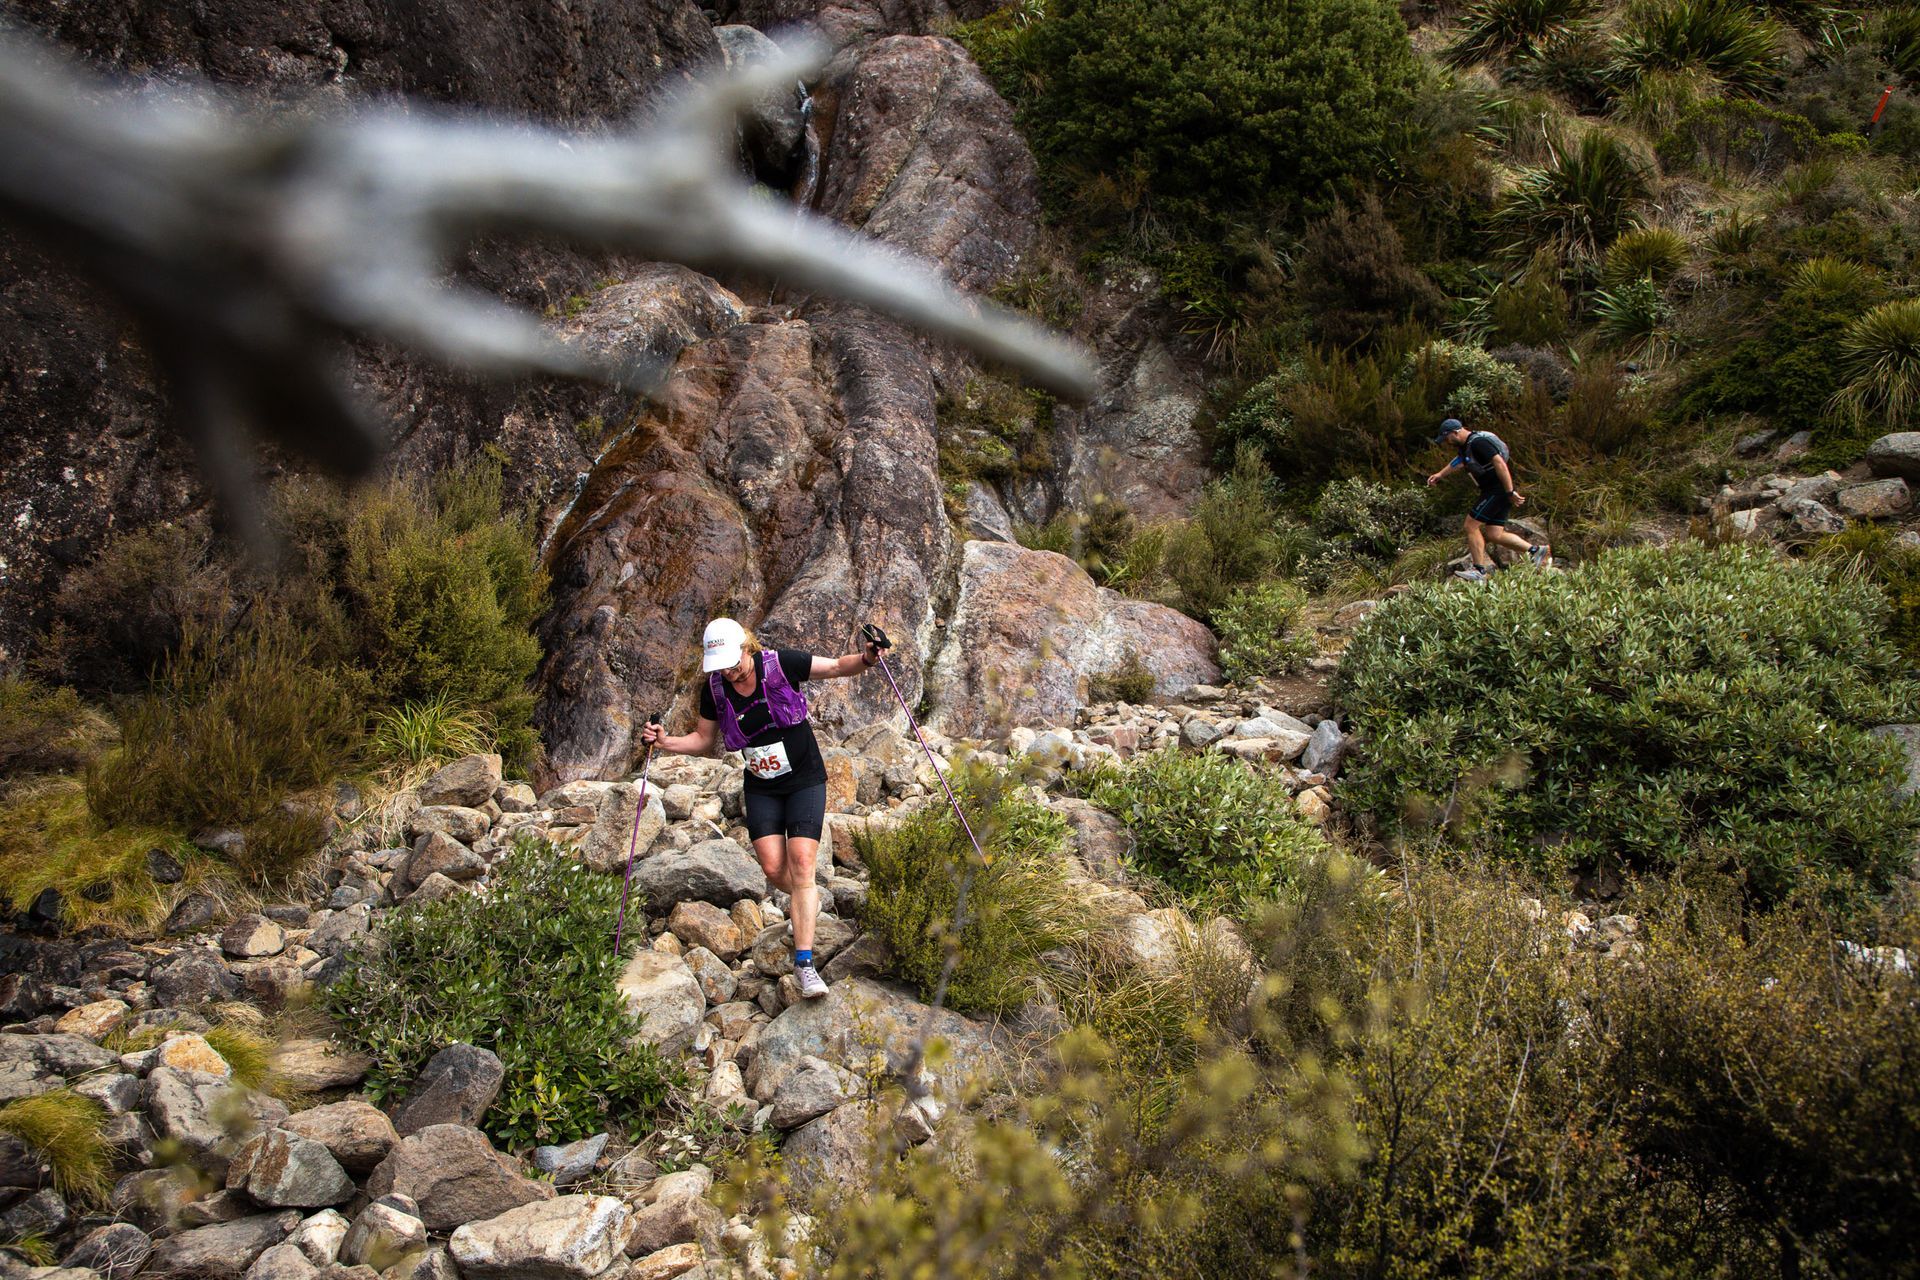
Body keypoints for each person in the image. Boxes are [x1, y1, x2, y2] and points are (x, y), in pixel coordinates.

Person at [641, 618, 884, 999]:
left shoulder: (782, 663)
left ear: (746, 646)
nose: (729, 669)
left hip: (804, 778)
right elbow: (703, 739)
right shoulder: (716, 689)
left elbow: (837, 667)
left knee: (802, 862)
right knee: (774, 868)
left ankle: (804, 965)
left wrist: (868, 659)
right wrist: (664, 742)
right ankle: (808, 901)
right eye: (720, 663)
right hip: (761, 785)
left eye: (732, 659)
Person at [1425, 418, 1551, 581]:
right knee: (1494, 533)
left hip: (1496, 491)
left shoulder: (1478, 443)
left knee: (1470, 525)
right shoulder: (1466, 446)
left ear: (1455, 432)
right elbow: (1459, 461)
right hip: (1494, 491)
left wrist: (1509, 491)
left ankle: (1479, 571)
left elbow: (1499, 463)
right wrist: (1440, 475)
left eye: (1447, 438)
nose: (1447, 442)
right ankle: (1536, 551)